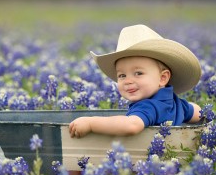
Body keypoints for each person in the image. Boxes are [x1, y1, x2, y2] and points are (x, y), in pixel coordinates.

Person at [68, 24, 202, 138]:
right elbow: (197, 112)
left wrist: (91, 124)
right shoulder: (175, 103)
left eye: (138, 73)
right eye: (122, 75)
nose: (128, 81)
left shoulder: (147, 107)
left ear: (163, 78)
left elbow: (131, 125)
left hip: (144, 162)